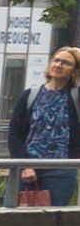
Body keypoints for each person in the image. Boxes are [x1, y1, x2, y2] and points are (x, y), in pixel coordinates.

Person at [16, 45, 78, 208]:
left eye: (66, 63)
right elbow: (15, 134)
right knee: (20, 215)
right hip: (28, 167)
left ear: (74, 71)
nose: (59, 65)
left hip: (61, 169)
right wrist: (25, 165)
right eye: (56, 60)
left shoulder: (75, 97)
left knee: (54, 217)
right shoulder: (30, 95)